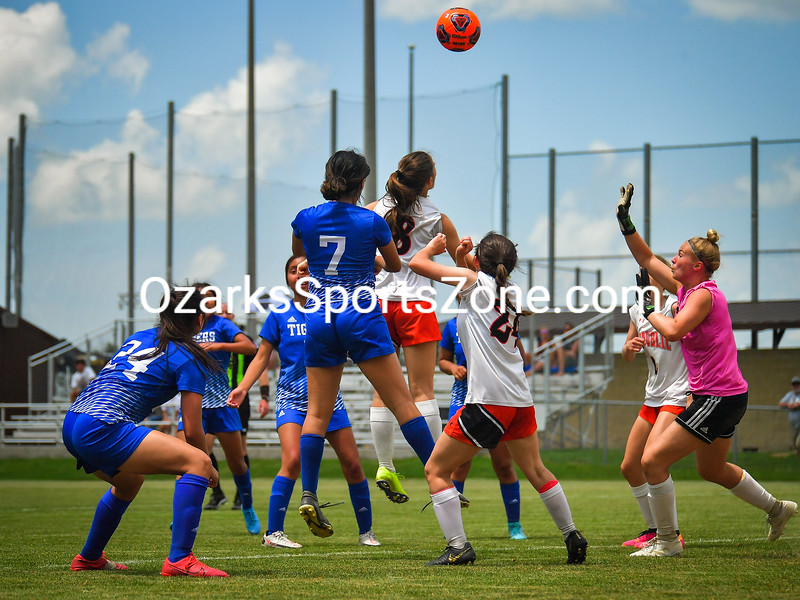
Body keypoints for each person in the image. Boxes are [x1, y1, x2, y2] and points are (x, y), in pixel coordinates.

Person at [615, 182, 797, 557]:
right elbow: (647, 259)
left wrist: (649, 310)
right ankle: (778, 509)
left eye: (679, 255)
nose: (673, 259)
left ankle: (667, 542)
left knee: (652, 461)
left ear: (697, 265)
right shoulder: (686, 291)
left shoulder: (702, 295)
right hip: (721, 396)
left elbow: (676, 330)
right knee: (713, 470)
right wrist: (625, 221)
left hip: (718, 397)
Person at [409, 231, 588, 566]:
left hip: (488, 400)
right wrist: (464, 260)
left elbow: (417, 264)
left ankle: (459, 547)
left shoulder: (472, 282)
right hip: (519, 398)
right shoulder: (511, 291)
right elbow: (472, 290)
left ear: (479, 261)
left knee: (435, 470)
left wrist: (434, 249)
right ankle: (572, 534)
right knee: (536, 469)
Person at [290, 149, 436, 538]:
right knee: (403, 401)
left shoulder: (304, 218)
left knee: (317, 414)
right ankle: (441, 480)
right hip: (360, 312)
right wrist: (367, 261)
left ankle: (308, 492)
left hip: (319, 315)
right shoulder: (371, 220)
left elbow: (300, 256)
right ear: (361, 184)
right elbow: (391, 265)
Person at [63, 286, 228, 577]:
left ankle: (89, 557)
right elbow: (192, 430)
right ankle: (180, 559)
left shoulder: (138, 337)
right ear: (200, 320)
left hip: (74, 420)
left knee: (129, 482)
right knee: (198, 462)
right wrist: (208, 466)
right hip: (103, 426)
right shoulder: (189, 358)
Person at [228, 255, 380, 548]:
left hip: (329, 400)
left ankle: (366, 533)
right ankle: (273, 533)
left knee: (352, 464)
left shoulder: (331, 309)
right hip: (292, 399)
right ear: (287, 277)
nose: (300, 274)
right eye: (293, 270)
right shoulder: (279, 313)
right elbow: (262, 357)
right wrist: (243, 388)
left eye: (306, 269)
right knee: (293, 461)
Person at [366, 151, 462, 503]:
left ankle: (384, 465)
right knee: (422, 390)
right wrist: (465, 253)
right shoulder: (437, 217)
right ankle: (439, 470)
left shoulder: (373, 208)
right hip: (417, 304)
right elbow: (460, 269)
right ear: (429, 180)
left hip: (376, 305)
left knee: (383, 390)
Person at [176, 284, 261, 535]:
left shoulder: (222, 326)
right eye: (203, 296)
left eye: (213, 296)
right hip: (194, 405)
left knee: (237, 463)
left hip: (222, 405)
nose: (208, 299)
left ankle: (247, 506)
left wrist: (219, 346)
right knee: (185, 462)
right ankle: (181, 516)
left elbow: (250, 348)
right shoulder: (184, 327)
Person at [619, 261, 689, 549]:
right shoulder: (637, 310)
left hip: (676, 394)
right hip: (652, 397)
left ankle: (671, 533)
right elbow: (626, 354)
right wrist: (629, 348)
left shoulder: (675, 307)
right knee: (629, 466)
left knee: (652, 461)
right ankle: (652, 529)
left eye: (651, 277)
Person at [439, 315, 527, 540]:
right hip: (463, 397)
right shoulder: (451, 325)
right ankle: (455, 530)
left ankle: (515, 526)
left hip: (495, 398)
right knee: (459, 463)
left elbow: (521, 358)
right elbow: (442, 360)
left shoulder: (496, 318)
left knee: (504, 464)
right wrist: (453, 368)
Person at [778, 376, 800, 457]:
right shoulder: (790, 395)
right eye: (794, 384)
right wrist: (789, 405)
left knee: (798, 443)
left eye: (798, 384)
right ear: (791, 386)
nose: (796, 386)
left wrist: (798, 405)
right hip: (794, 425)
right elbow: (780, 403)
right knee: (795, 444)